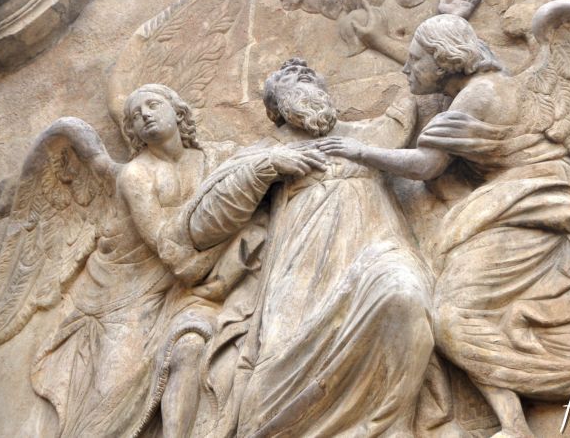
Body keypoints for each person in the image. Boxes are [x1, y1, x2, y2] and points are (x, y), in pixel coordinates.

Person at [318, 15, 570, 437]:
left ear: (444, 61)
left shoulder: (477, 96)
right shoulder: (488, 83)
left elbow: (426, 165)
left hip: (532, 205)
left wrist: (359, 151)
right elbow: (431, 71)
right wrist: (438, 19)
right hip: (517, 201)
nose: (405, 68)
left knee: (453, 317)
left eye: (415, 59)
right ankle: (514, 423)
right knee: (458, 318)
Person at [29, 84, 323, 438]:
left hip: (194, 293)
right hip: (132, 295)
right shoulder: (136, 176)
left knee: (189, 347)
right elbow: (173, 254)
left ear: (179, 112)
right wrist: (225, 263)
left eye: (153, 105)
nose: (145, 115)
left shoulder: (218, 157)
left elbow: (257, 196)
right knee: (110, 405)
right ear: (132, 132)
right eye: (135, 116)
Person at [185, 59, 435, 437]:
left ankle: (388, 424)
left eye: (309, 74)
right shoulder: (263, 152)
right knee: (268, 392)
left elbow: (426, 94)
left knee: (404, 294)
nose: (302, 74)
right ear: (274, 107)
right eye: (289, 76)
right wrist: (268, 166)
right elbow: (201, 226)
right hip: (302, 271)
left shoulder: (369, 135)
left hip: (378, 251)